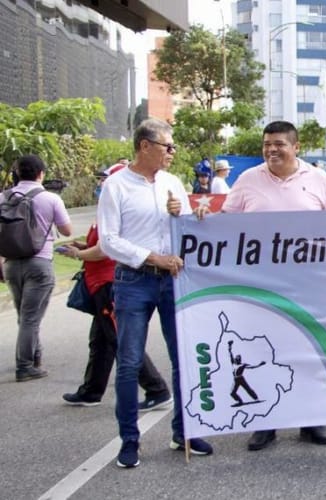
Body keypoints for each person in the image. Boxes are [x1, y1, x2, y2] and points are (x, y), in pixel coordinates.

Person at [200, 120, 326, 451]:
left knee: (310, 350)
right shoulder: (248, 180)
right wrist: (197, 220)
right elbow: (224, 223)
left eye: (279, 144)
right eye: (267, 144)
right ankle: (267, 423)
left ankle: (313, 420)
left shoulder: (318, 179)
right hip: (262, 284)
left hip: (310, 282)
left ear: (296, 148)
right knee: (262, 350)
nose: (271, 149)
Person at [97, 118, 212, 468]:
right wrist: (152, 258)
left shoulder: (173, 183)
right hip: (134, 280)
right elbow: (108, 240)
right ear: (144, 146)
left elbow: (189, 228)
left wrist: (191, 214)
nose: (172, 153)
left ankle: (184, 431)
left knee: (182, 358)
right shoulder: (116, 186)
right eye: (167, 146)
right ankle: (129, 440)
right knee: (130, 362)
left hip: (172, 281)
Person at [60, 217, 173, 412]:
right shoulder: (104, 212)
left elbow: (104, 250)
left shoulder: (113, 212)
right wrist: (85, 247)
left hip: (107, 283)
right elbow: (99, 245)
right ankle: (91, 390)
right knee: (101, 340)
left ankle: (156, 389)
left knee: (121, 340)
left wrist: (79, 254)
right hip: (99, 284)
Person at [2, 155, 72, 382]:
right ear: (41, 173)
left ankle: (35, 357)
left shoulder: (3, 197)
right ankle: (24, 366)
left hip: (11, 264)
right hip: (39, 263)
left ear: (17, 173)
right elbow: (68, 230)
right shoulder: (50, 198)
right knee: (30, 318)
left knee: (25, 316)